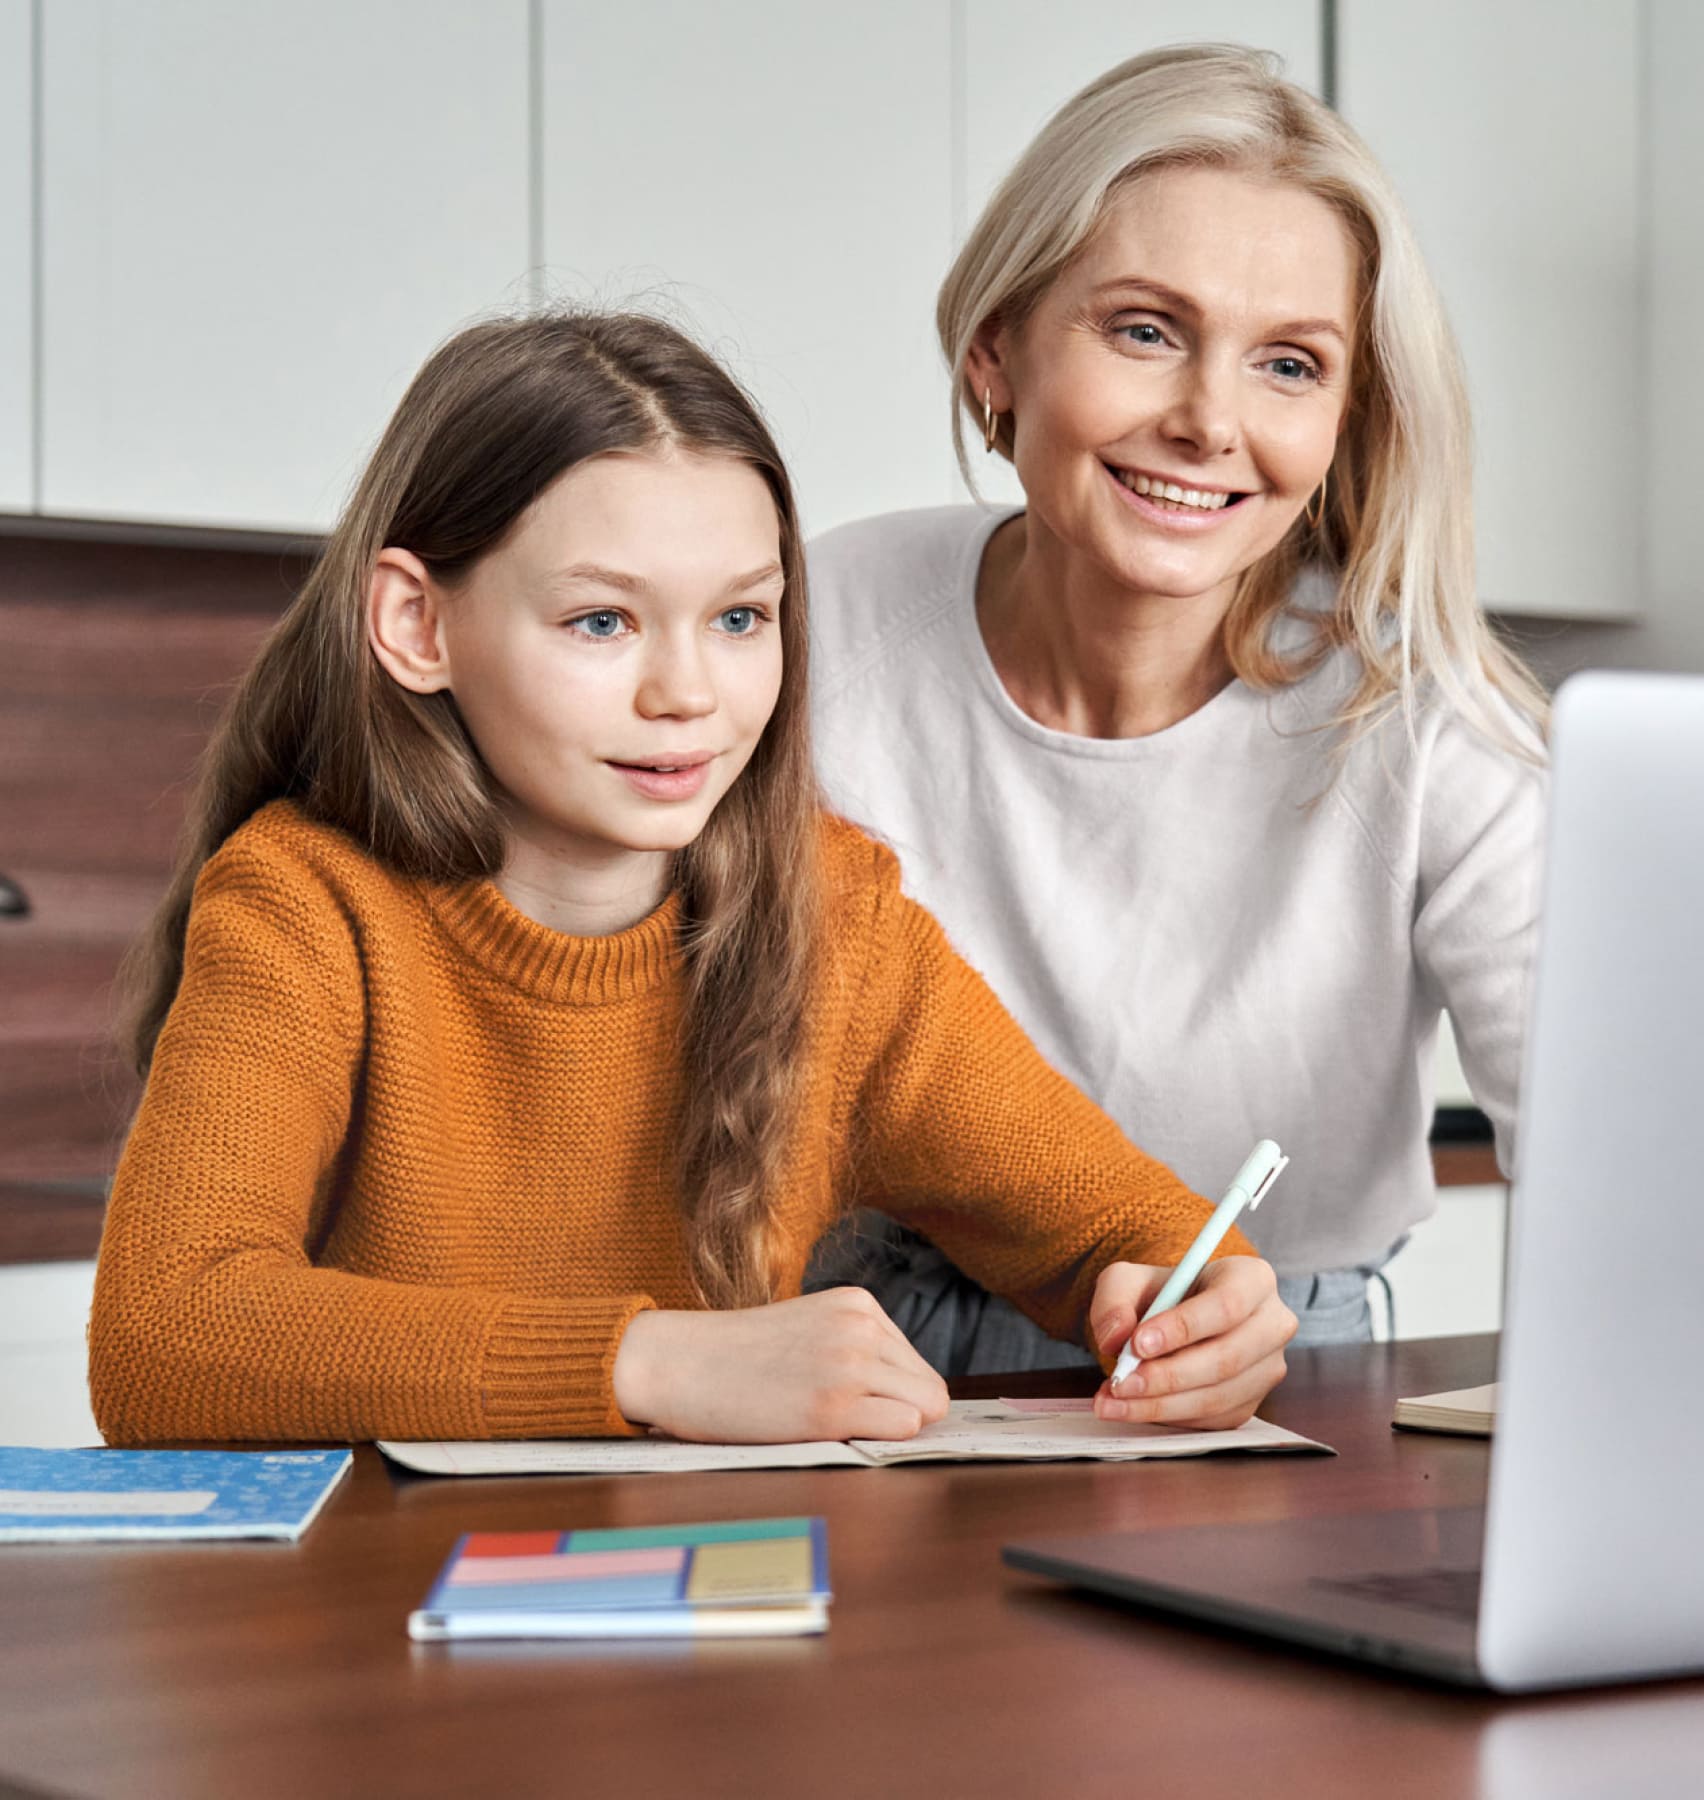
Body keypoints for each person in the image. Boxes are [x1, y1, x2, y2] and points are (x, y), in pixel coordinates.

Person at [87, 309, 1296, 1448]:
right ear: (417, 624)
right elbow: (166, 1336)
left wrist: (1210, 1304)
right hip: (378, 1619)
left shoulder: (835, 922)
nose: (689, 695)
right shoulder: (306, 905)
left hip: (714, 1606)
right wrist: (656, 1365)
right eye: (602, 623)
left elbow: (1117, 1227)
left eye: (739, 620)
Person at [804, 44, 1548, 1371]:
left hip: (1299, 1370)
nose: (1211, 421)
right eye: (1147, 331)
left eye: (1290, 365)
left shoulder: (1433, 721)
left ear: (1340, 420)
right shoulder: (820, 625)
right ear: (997, 353)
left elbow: (1602, 1145)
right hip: (860, 1349)